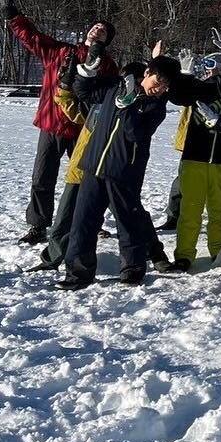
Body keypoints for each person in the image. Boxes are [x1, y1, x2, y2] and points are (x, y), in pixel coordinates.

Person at [2, 0, 119, 245]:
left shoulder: (108, 65)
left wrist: (95, 67)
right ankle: (38, 225)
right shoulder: (62, 52)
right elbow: (31, 37)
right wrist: (12, 14)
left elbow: (106, 96)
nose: (96, 29)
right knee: (42, 177)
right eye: (95, 26)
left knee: (88, 178)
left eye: (103, 30)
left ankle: (89, 219)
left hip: (85, 128)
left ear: (106, 40)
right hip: (52, 125)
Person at [55, 53, 182, 289]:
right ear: (147, 73)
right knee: (83, 223)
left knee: (128, 223)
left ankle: (132, 271)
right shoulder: (117, 87)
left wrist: (130, 106)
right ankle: (78, 275)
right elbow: (85, 93)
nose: (160, 88)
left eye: (165, 86)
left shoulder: (156, 107)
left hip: (124, 172)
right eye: (158, 81)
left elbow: (135, 133)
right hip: (93, 167)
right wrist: (85, 72)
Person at [167, 56, 221, 272]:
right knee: (191, 208)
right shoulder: (209, 87)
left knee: (219, 207)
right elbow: (178, 96)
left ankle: (219, 251)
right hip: (194, 157)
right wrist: (184, 75)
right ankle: (184, 255)